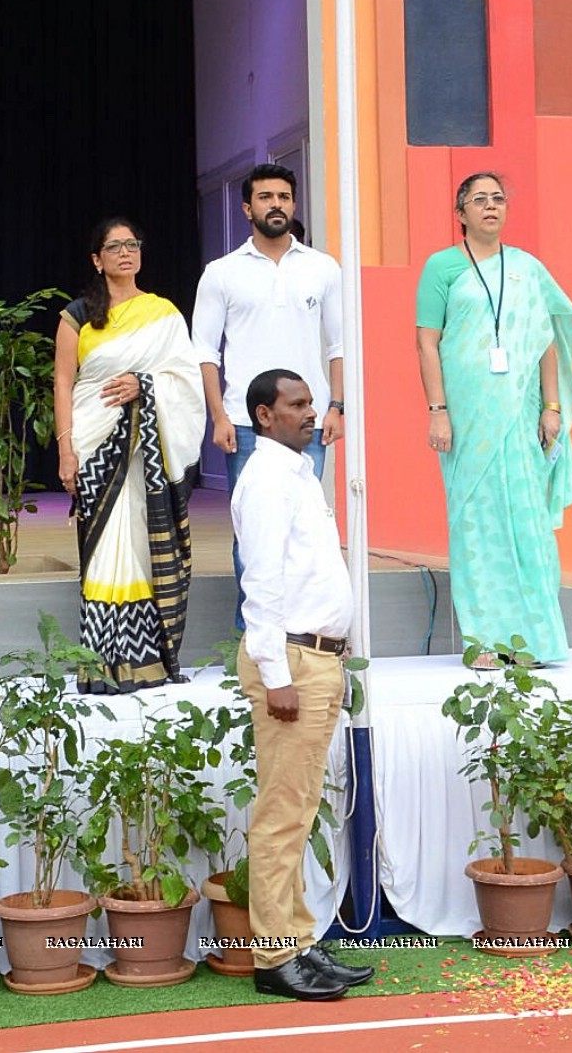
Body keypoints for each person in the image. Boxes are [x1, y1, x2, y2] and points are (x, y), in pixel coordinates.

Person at [233, 368, 373, 1001]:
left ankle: (297, 944)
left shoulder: (296, 473)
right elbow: (260, 585)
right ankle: (272, 958)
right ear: (265, 415)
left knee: (298, 810)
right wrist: (277, 675)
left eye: (311, 402)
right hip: (289, 660)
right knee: (282, 816)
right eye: (297, 404)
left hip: (314, 660)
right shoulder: (265, 480)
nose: (311, 413)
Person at [415, 172, 572, 667]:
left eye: (499, 199)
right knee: (475, 523)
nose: (491, 206)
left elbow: (545, 338)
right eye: (479, 200)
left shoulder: (528, 269)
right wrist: (438, 412)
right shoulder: (442, 267)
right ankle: (485, 640)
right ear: (460, 213)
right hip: (467, 421)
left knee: (527, 524)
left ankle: (534, 641)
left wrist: (551, 407)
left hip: (521, 412)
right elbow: (427, 342)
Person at [53, 217, 204, 693]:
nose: (126, 253)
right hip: (93, 443)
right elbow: (62, 382)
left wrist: (146, 386)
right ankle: (99, 663)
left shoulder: (162, 314)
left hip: (145, 451)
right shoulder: (77, 315)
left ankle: (146, 660)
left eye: (132, 244)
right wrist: (65, 449)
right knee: (101, 551)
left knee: (139, 545)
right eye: (114, 247)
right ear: (97, 259)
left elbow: (186, 378)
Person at [191, 163, 343, 622]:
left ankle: (300, 630)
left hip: (307, 424)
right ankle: (253, 637)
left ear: (294, 205)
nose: (275, 204)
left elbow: (338, 344)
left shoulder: (322, 268)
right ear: (246, 207)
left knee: (305, 525)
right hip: (245, 422)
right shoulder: (222, 272)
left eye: (283, 196)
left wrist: (337, 405)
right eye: (264, 197)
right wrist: (218, 416)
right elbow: (204, 351)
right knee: (253, 529)